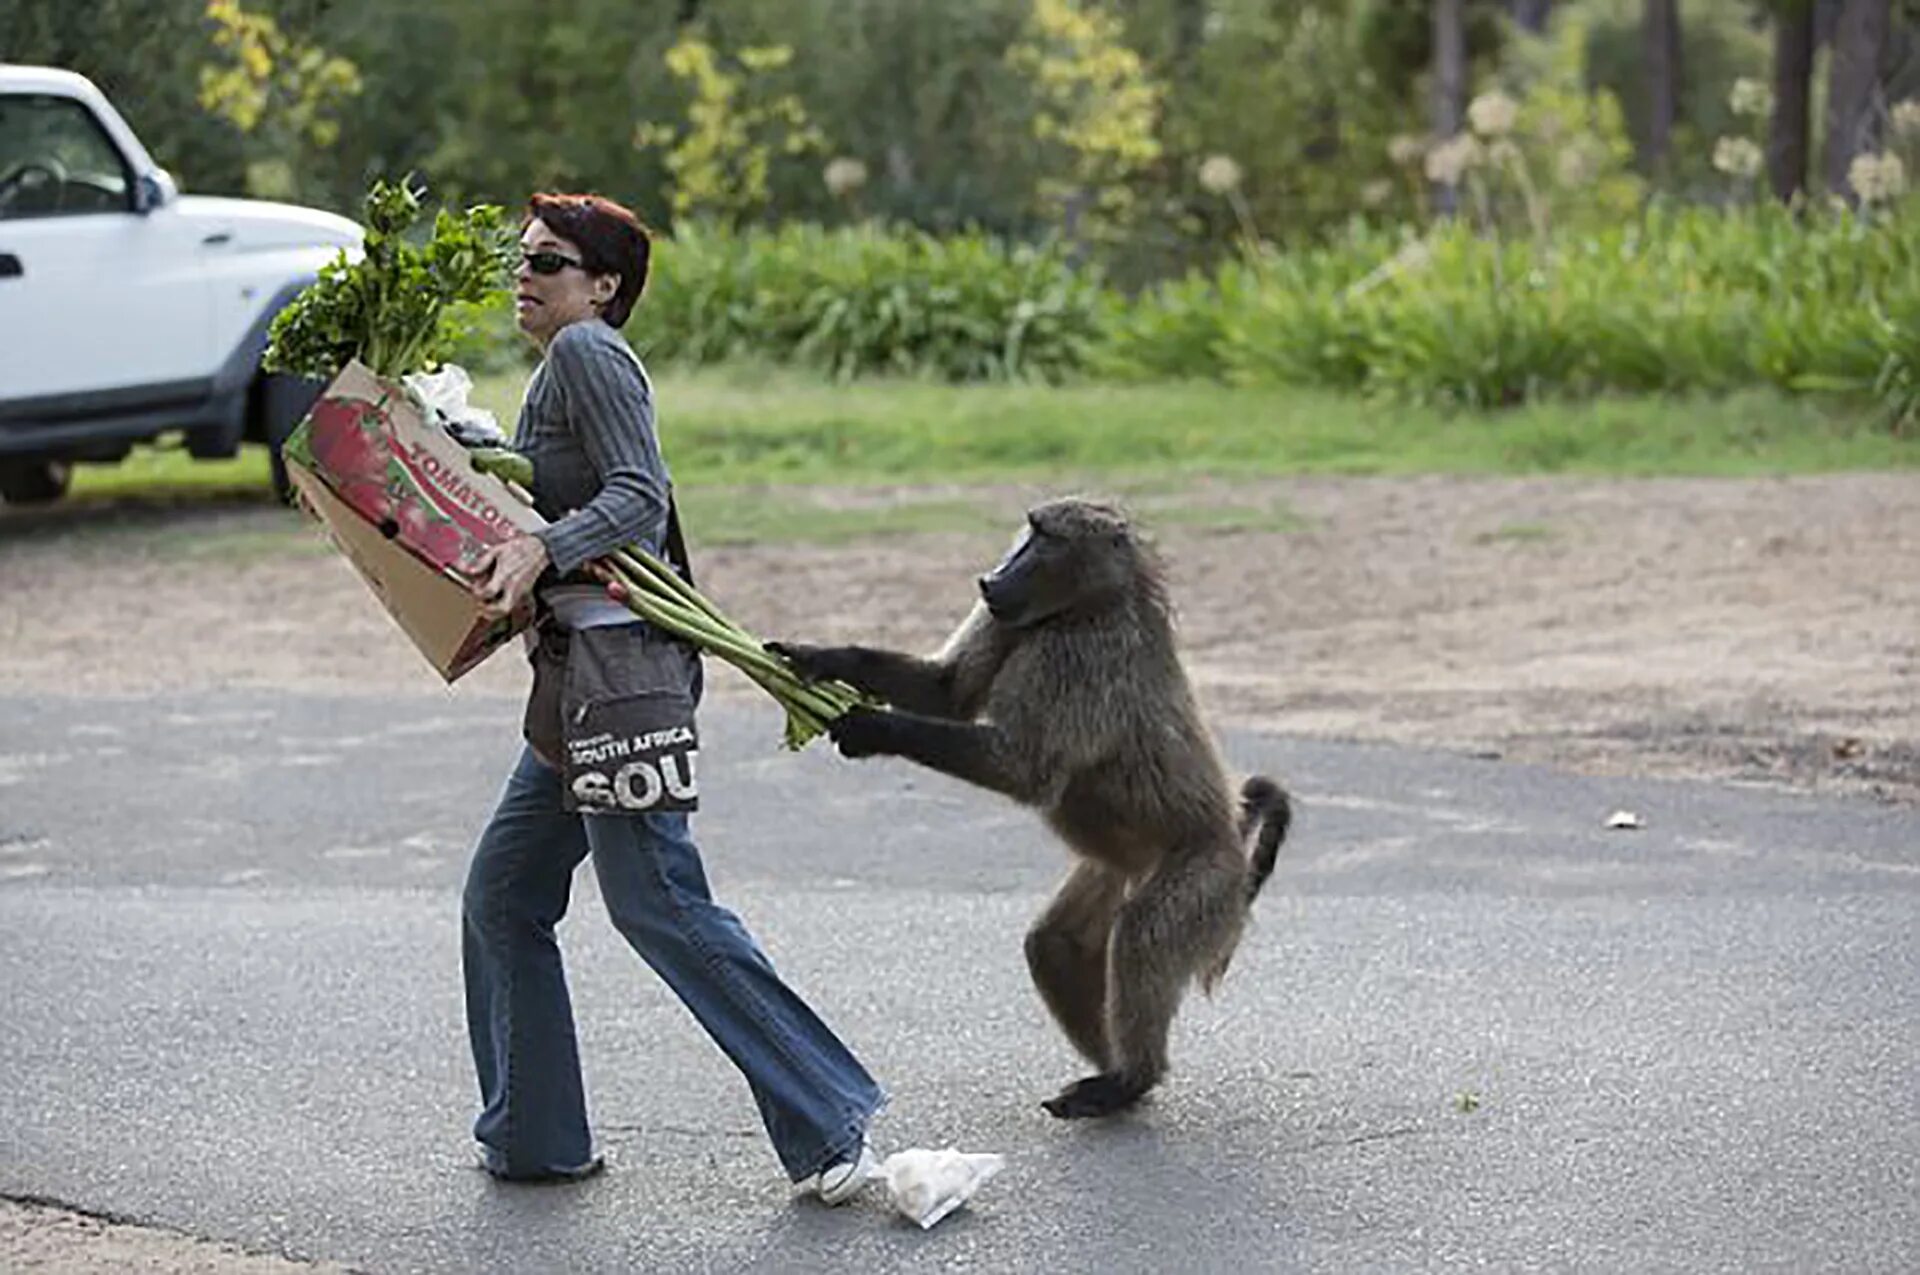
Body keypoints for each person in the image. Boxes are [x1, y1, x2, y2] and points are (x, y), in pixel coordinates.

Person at [460, 192, 884, 1200]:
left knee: (660, 905)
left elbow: (637, 496)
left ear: (603, 287)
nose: (524, 278)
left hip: (619, 685)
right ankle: (532, 1135)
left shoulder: (588, 353)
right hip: (580, 682)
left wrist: (540, 545)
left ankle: (831, 1119)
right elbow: (584, 486)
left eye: (548, 263)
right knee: (505, 895)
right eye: (519, 262)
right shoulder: (559, 365)